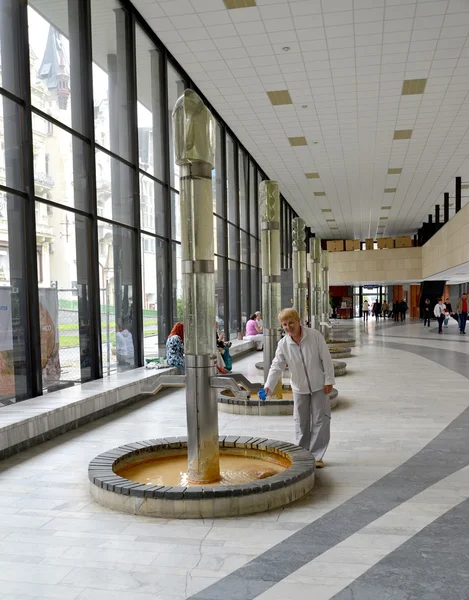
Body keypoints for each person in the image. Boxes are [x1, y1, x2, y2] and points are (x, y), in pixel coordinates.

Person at [263, 308, 335, 468]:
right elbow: (277, 365)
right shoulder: (283, 344)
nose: (288, 327)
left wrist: (329, 380)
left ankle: (317, 456)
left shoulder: (314, 336)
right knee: (301, 422)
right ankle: (303, 454)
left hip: (319, 386)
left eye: (291, 323)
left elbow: (326, 358)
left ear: (298, 321)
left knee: (320, 420)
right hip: (299, 388)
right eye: (284, 324)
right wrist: (269, 385)